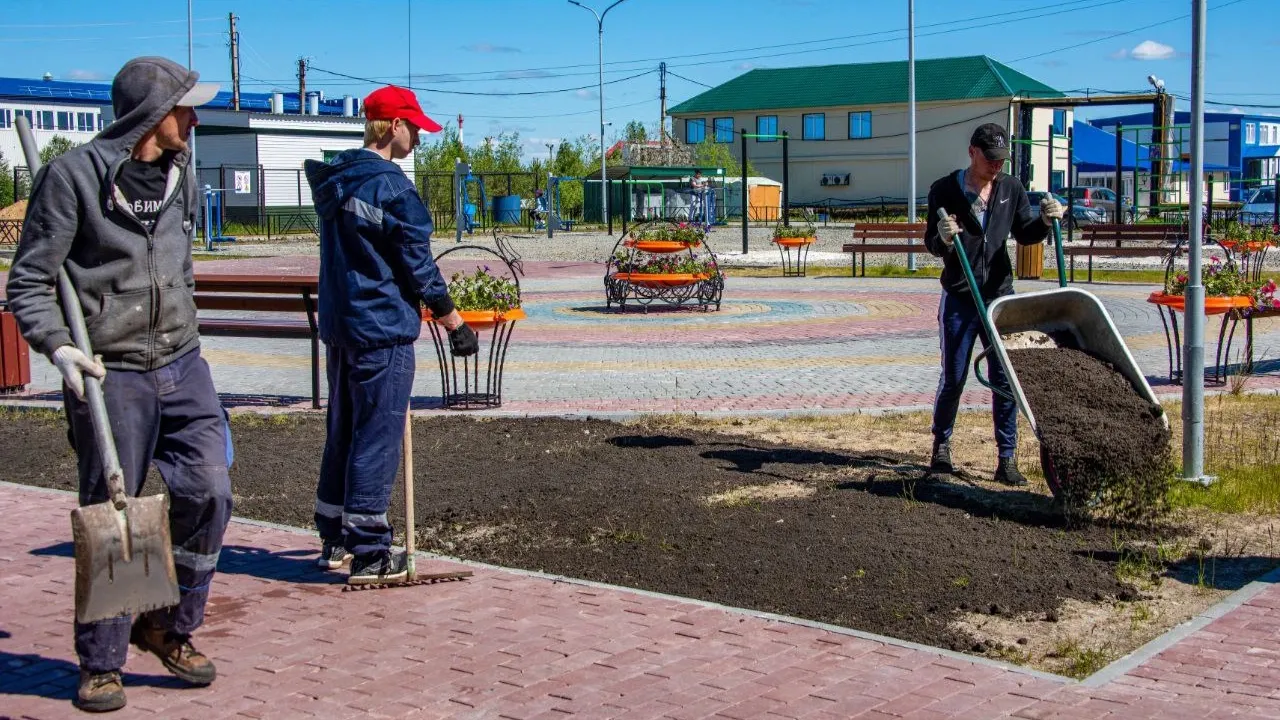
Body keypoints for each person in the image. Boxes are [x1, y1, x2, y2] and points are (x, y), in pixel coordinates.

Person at [5, 56, 232, 713]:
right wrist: (60, 347)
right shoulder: (71, 178)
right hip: (113, 372)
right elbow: (29, 281)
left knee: (211, 492)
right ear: (152, 113)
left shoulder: (181, 175)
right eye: (185, 108)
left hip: (183, 362)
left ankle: (167, 625)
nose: (194, 119)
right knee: (116, 512)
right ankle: (101, 663)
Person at [304, 85, 479, 587]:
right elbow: (419, 266)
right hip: (382, 329)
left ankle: (333, 537)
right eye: (416, 130)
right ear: (394, 127)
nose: (419, 141)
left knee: (344, 431)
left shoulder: (337, 180)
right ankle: (370, 552)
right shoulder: (392, 189)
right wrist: (454, 323)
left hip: (342, 326)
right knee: (376, 438)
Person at [922, 123, 1064, 487]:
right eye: (990, 159)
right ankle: (941, 446)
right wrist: (943, 239)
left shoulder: (1011, 188)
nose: (996, 166)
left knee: (1005, 378)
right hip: (960, 296)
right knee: (954, 375)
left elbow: (1025, 232)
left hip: (999, 297)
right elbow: (932, 244)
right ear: (972, 152)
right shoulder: (944, 190)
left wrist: (1046, 220)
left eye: (1001, 159)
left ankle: (1007, 458)